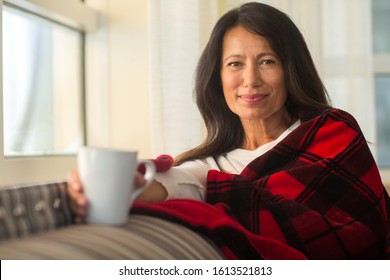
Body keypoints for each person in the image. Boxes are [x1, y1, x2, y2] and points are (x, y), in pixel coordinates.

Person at [68, 2, 390, 259]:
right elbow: (176, 182)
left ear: (291, 70)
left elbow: (366, 239)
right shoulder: (210, 167)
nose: (250, 79)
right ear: (217, 77)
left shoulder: (333, 133)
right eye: (235, 64)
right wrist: (109, 186)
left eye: (267, 61)